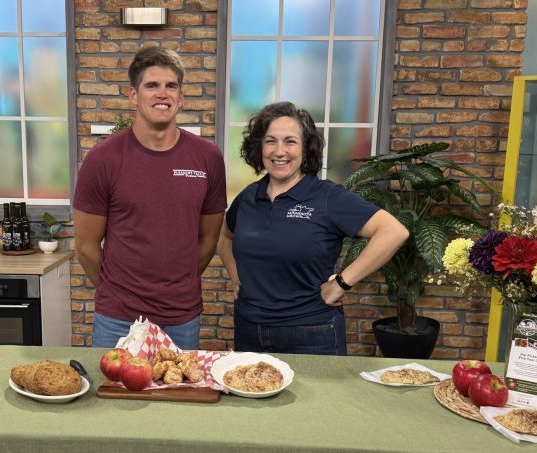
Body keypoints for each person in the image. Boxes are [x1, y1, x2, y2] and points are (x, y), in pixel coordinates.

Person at [218, 101, 408, 355]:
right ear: (259, 147)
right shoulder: (249, 196)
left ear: (306, 149)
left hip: (310, 332)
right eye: (271, 141)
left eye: (290, 141)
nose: (279, 151)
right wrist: (234, 275)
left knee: (320, 397)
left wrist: (341, 283)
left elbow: (394, 231)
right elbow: (224, 235)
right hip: (249, 329)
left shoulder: (327, 197)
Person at [73, 47, 227, 350]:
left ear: (181, 97)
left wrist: (176, 284)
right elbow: (86, 246)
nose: (163, 93)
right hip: (118, 317)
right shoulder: (103, 158)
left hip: (181, 316)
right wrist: (118, 290)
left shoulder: (207, 157)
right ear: (133, 95)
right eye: (152, 85)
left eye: (171, 86)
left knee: (176, 396)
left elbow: (209, 238)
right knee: (113, 396)